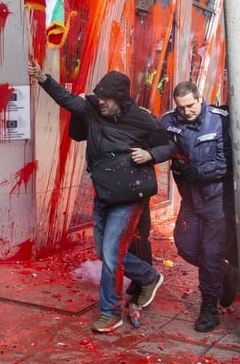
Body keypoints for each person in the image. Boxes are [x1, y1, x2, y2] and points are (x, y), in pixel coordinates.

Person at [28, 63, 173, 333]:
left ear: (120, 99)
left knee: (112, 253)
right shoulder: (93, 109)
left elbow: (169, 145)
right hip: (104, 193)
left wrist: (151, 155)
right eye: (100, 97)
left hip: (129, 195)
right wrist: (44, 78)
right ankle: (149, 276)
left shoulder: (142, 120)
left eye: (107, 98)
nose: (101, 102)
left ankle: (110, 312)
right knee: (104, 253)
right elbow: (67, 100)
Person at [160, 81, 236, 332]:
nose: (186, 111)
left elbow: (228, 163)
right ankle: (226, 274)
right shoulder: (169, 121)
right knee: (186, 247)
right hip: (191, 199)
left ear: (200, 98)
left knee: (211, 254)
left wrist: (197, 171)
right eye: (181, 107)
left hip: (217, 199)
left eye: (190, 105)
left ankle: (209, 308)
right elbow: (157, 142)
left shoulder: (219, 120)